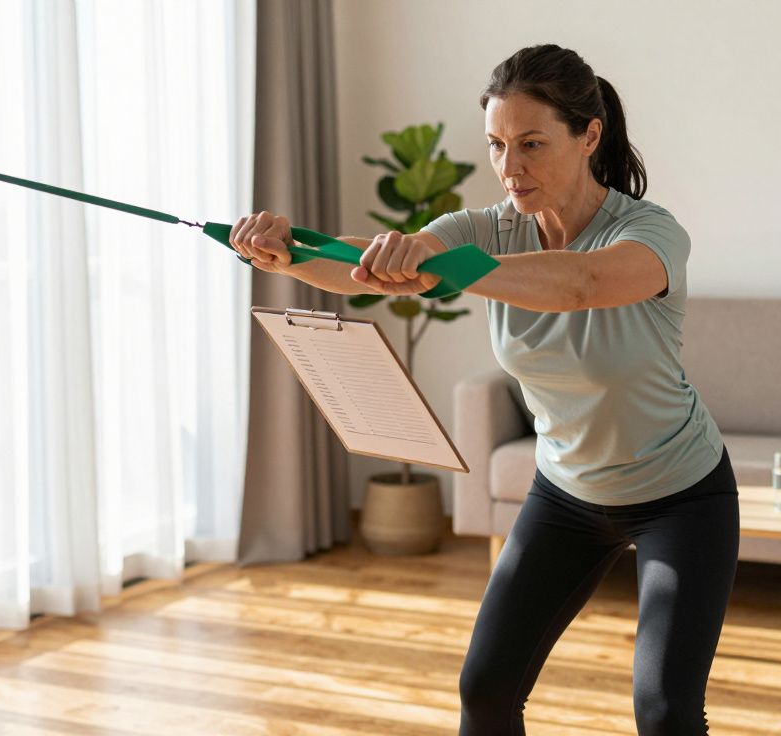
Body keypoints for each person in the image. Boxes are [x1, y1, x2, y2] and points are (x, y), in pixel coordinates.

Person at [228, 43, 737, 736]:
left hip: (680, 496)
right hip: (566, 495)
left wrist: (449, 264)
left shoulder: (648, 233)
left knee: (665, 710)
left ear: (590, 135)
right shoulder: (484, 230)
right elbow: (364, 267)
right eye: (497, 145)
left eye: (531, 144)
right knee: (486, 689)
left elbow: (578, 286)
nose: (510, 168)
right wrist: (291, 252)